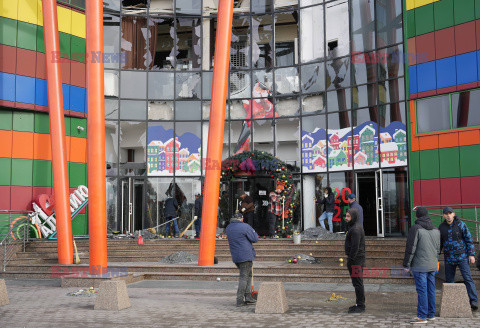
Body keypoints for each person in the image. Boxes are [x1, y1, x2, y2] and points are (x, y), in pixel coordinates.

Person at [403, 206, 441, 324]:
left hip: (420, 266)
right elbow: (438, 249)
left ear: (417, 216)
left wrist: (406, 264)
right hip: (432, 264)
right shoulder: (436, 230)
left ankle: (422, 316)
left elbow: (411, 248)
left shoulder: (415, 229)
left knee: (422, 290)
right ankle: (431, 314)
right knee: (431, 289)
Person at [439, 206, 478, 311]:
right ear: (443, 215)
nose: (448, 215)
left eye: (450, 213)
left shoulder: (461, 225)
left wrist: (471, 254)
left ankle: (474, 301)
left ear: (453, 214)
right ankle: (450, 302)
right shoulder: (441, 227)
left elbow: (469, 240)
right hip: (449, 258)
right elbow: (439, 244)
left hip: (462, 257)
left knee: (467, 278)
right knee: (449, 281)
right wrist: (436, 256)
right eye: (446, 214)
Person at [225, 213, 259, 307]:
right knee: (244, 277)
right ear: (241, 219)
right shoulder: (245, 226)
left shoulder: (229, 228)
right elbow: (255, 238)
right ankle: (239, 299)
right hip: (245, 255)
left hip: (236, 256)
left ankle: (248, 297)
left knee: (248, 275)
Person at [344, 207, 366, 313]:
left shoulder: (356, 229)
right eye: (346, 216)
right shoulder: (353, 227)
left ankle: (361, 306)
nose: (346, 218)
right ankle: (359, 303)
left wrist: (350, 259)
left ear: (354, 217)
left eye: (348, 216)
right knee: (357, 283)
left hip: (356, 260)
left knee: (358, 283)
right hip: (355, 259)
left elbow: (355, 247)